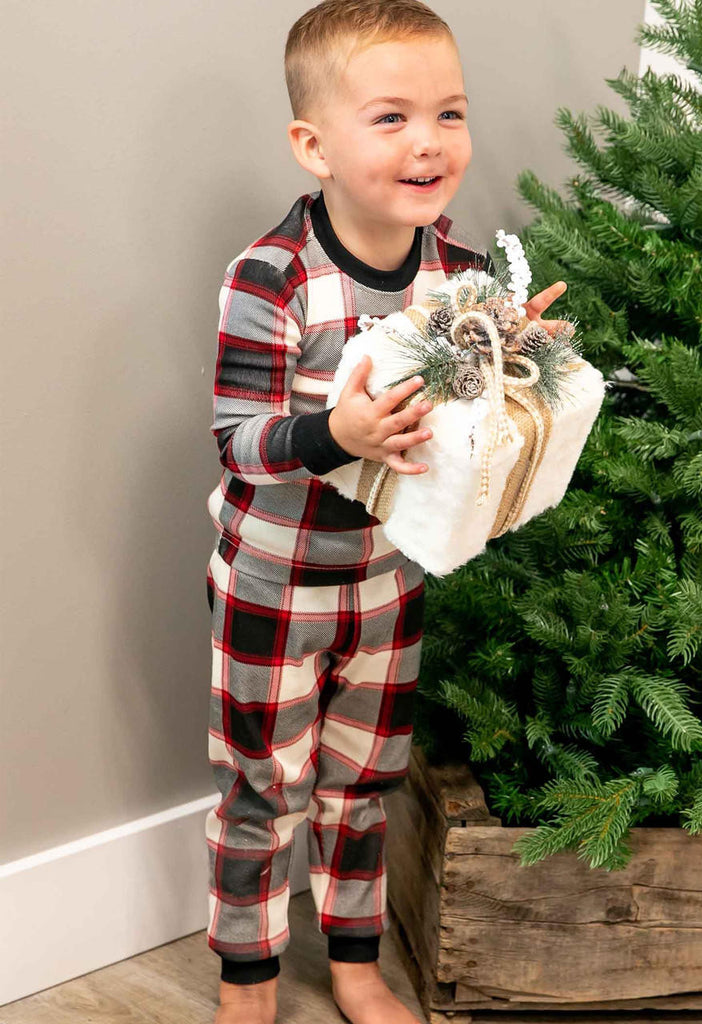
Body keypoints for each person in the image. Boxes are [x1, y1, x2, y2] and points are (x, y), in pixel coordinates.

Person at [204, 3, 491, 1022]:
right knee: (261, 787)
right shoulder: (274, 276)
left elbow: (473, 401)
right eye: (392, 117)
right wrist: (337, 434)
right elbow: (239, 442)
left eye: (449, 113)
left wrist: (524, 360)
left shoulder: (453, 274)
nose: (428, 140)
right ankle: (246, 980)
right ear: (312, 144)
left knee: (364, 779)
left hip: (387, 577)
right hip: (276, 584)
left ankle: (356, 963)